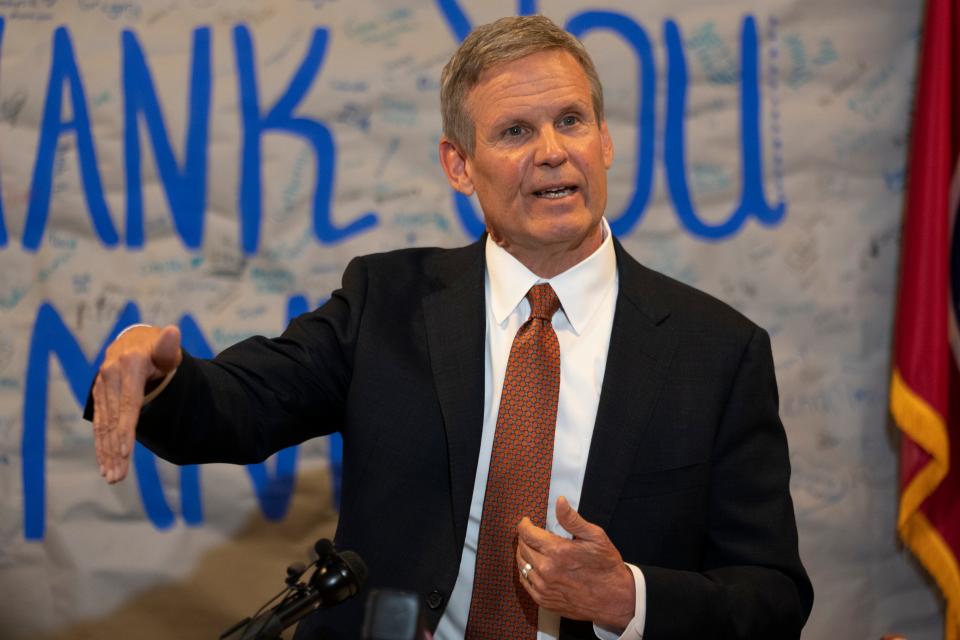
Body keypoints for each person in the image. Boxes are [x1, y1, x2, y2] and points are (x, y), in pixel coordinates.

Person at [86, 15, 813, 640]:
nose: (553, 151)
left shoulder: (717, 352)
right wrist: (162, 377)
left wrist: (630, 597)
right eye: (514, 131)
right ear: (459, 167)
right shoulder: (388, 302)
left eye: (571, 120)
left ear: (605, 141)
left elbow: (772, 596)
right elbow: (240, 405)